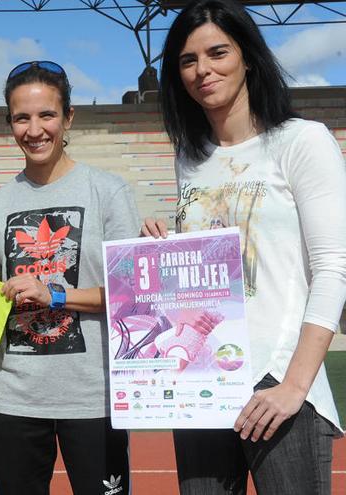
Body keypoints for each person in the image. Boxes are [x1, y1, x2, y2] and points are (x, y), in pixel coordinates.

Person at [140, 0, 345, 493]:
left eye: (217, 53)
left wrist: (293, 386)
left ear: (247, 56)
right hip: (202, 383)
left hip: (278, 381)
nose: (202, 70)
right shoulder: (189, 158)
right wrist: (167, 253)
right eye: (188, 61)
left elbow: (334, 269)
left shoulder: (303, 141)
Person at [0, 61, 138, 495]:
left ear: (68, 118)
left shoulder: (108, 191)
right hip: (14, 397)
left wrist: (54, 295)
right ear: (10, 123)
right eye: (22, 117)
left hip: (94, 398)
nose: (34, 129)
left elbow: (131, 295)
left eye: (46, 115)